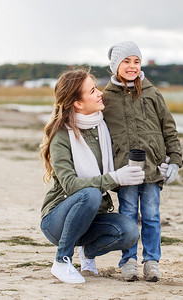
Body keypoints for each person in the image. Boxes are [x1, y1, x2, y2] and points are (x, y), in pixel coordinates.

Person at [39, 69, 145, 284]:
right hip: (56, 222)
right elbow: (70, 185)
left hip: (93, 217)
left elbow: (113, 173)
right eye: (93, 90)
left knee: (129, 231)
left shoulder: (102, 126)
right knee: (90, 194)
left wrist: (153, 169)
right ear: (78, 103)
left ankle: (88, 253)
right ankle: (62, 260)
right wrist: (115, 178)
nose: (100, 94)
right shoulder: (61, 135)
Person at [102, 41, 183, 282]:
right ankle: (128, 260)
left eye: (136, 61)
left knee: (151, 216)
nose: (132, 66)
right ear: (116, 65)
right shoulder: (106, 98)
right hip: (126, 171)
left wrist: (175, 159)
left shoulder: (152, 93)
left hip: (153, 168)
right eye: (126, 61)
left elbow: (169, 128)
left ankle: (151, 261)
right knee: (126, 213)